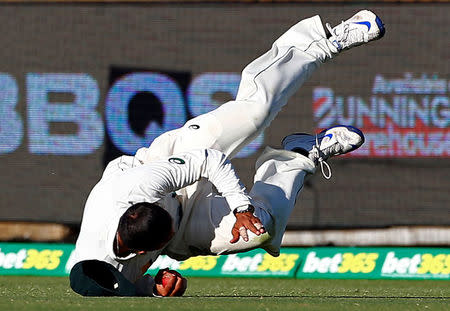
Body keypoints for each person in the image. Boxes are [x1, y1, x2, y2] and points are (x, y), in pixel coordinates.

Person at [69, 10, 385, 297]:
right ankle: (298, 155)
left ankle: (321, 42)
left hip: (174, 159)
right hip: (186, 222)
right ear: (143, 251)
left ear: (138, 209)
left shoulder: (136, 188)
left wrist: (239, 207)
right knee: (261, 231)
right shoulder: (104, 271)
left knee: (255, 114)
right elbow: (128, 287)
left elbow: (209, 160)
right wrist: (154, 286)